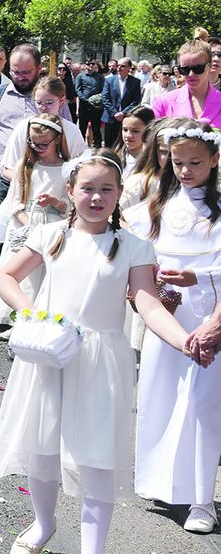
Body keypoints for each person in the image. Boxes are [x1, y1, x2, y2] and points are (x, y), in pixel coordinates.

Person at [0, 150, 198, 554]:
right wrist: (35, 315)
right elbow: (7, 277)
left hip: (102, 361)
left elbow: (148, 303)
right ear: (71, 191)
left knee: (97, 455)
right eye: (87, 189)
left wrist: (182, 339)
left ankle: (93, 548)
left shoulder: (134, 247)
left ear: (120, 194)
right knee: (42, 442)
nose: (96, 198)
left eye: (106, 189)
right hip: (51, 353)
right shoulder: (51, 235)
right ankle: (43, 523)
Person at [128, 122, 221, 534]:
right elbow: (139, 254)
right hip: (167, 317)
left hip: (208, 316)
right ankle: (167, 482)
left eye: (195, 163)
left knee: (202, 407)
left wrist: (199, 279)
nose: (185, 171)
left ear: (215, 160)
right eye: (177, 162)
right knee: (161, 395)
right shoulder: (158, 206)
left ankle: (203, 499)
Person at [0, 44, 69, 283]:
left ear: (39, 69)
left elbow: (68, 136)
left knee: (38, 232)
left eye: (26, 72)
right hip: (4, 174)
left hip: (44, 176)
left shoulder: (49, 97)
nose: (19, 77)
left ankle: (32, 294)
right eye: (15, 71)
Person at [0, 113, 71, 332]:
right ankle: (18, 319)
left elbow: (71, 206)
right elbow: (15, 202)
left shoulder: (67, 169)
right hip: (24, 226)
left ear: (57, 139)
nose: (37, 147)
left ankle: (39, 318)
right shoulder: (26, 165)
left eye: (43, 144)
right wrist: (28, 224)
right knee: (21, 275)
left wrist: (55, 202)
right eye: (33, 142)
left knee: (41, 277)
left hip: (52, 227)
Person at [152, 39, 221, 127]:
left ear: (210, 66)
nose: (191, 74)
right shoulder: (163, 102)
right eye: (185, 69)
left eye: (198, 68)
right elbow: (152, 139)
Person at [101, 58, 142, 148]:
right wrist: (115, 113)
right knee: (109, 145)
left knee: (124, 145)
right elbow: (105, 98)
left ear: (129, 68)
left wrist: (123, 113)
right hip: (110, 118)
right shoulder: (109, 80)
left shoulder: (135, 82)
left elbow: (135, 100)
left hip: (126, 118)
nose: (119, 68)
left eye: (122, 66)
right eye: (118, 65)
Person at [116, 105, 154, 177]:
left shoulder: (154, 161)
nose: (128, 135)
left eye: (135, 131)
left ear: (149, 131)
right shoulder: (116, 158)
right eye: (125, 130)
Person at [75, 61, 106, 147]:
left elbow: (103, 90)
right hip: (84, 105)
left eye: (93, 64)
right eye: (89, 64)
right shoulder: (80, 76)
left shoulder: (99, 77)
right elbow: (78, 89)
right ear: (86, 65)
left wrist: (97, 99)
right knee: (82, 127)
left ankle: (97, 147)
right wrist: (84, 99)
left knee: (96, 128)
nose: (91, 66)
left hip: (96, 106)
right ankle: (79, 146)